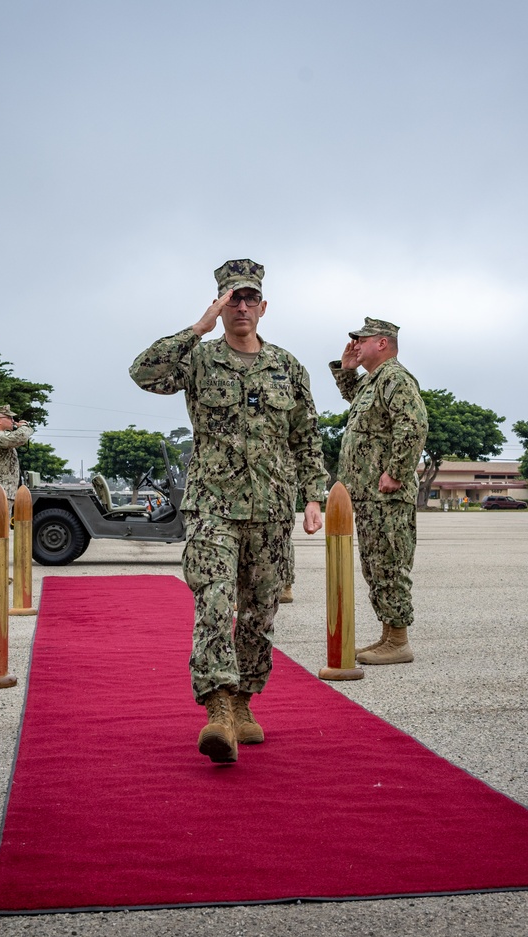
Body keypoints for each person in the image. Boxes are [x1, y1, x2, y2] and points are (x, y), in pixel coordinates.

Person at [130, 258, 328, 764]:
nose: (241, 307)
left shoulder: (287, 365)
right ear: (220, 306)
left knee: (261, 612)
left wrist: (312, 496)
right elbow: (143, 372)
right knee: (216, 603)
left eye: (249, 299)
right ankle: (217, 709)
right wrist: (197, 328)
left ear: (263, 307)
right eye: (230, 299)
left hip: (271, 508)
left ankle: (243, 704)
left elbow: (305, 435)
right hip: (212, 505)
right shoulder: (199, 360)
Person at [329, 318, 429, 665]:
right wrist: (346, 369)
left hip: (387, 492)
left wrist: (397, 473)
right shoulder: (375, 381)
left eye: (361, 339)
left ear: (382, 343)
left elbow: (413, 424)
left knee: (390, 563)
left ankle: (399, 640)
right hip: (370, 494)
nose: (355, 343)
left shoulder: (396, 378)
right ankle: (388, 635)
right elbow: (355, 402)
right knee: (375, 566)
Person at [0, 405, 34, 505]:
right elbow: (21, 437)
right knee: (0, 521)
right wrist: (24, 426)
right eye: (9, 418)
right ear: (0, 420)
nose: (13, 421)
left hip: (1, 491)